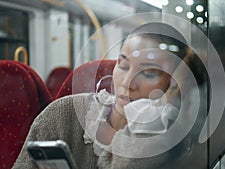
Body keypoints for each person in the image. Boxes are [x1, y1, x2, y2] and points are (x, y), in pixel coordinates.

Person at [13, 22, 203, 169]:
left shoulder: (173, 140)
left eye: (149, 72)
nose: (127, 83)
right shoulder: (62, 114)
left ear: (173, 85)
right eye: (123, 65)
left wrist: (151, 118)